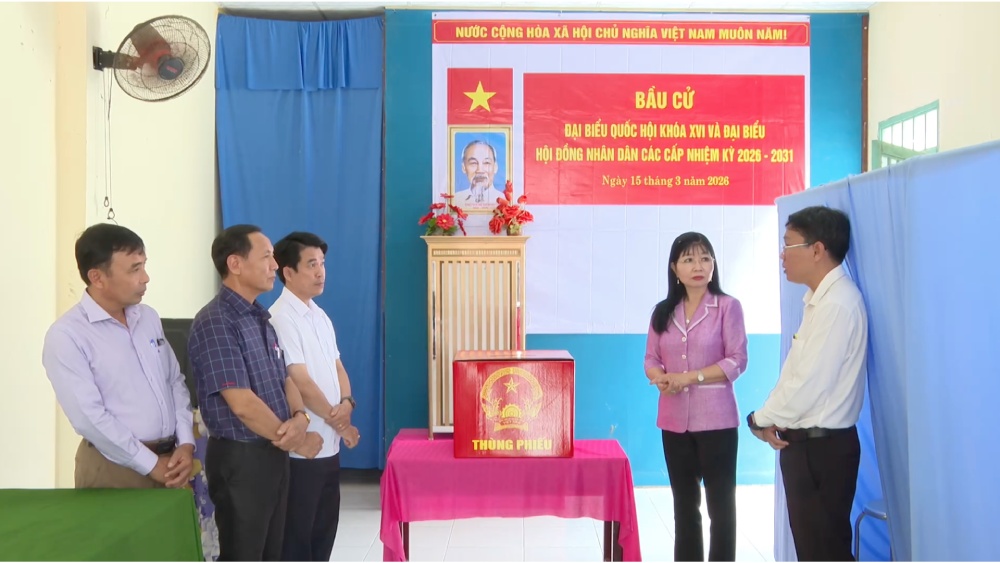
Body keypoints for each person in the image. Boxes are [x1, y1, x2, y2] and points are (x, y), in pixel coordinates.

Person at [188, 224, 323, 562]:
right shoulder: (216, 320)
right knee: (244, 553)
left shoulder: (260, 317)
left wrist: (300, 417)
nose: (274, 266)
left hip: (272, 454)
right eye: (266, 257)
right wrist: (293, 438)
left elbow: (285, 379)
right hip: (242, 458)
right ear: (235, 264)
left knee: (271, 553)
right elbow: (242, 403)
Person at [746, 206, 868, 562]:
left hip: (822, 451)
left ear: (817, 250)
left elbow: (806, 387)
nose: (782, 256)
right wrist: (771, 419)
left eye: (789, 245)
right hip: (807, 445)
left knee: (823, 552)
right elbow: (796, 378)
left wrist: (759, 419)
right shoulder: (820, 301)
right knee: (815, 550)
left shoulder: (837, 305)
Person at [42, 223, 196, 489]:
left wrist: (185, 442)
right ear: (98, 278)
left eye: (144, 265)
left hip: (172, 462)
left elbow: (173, 381)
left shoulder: (147, 317)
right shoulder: (67, 336)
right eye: (134, 269)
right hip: (115, 468)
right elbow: (89, 417)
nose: (145, 277)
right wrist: (148, 463)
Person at [644, 232, 748, 562]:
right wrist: (659, 377)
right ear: (675, 269)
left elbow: (737, 359)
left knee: (721, 508)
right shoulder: (663, 312)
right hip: (674, 421)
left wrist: (690, 377)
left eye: (705, 258)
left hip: (717, 420)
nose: (698, 266)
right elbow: (651, 358)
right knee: (684, 506)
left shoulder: (728, 308)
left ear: (714, 265)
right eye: (688, 259)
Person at [268, 231, 361, 562]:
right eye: (311, 265)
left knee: (324, 530)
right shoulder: (281, 317)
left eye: (322, 264)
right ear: (288, 272)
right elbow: (299, 380)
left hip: (330, 443)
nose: (320, 272)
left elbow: (338, 367)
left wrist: (347, 404)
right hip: (304, 448)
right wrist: (341, 423)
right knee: (297, 538)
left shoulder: (319, 315)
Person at [455, 139, 505, 205]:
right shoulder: (455, 200)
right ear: (463, 167)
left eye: (486, 163)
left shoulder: (505, 201)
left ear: (495, 167)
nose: (480, 170)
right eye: (473, 163)